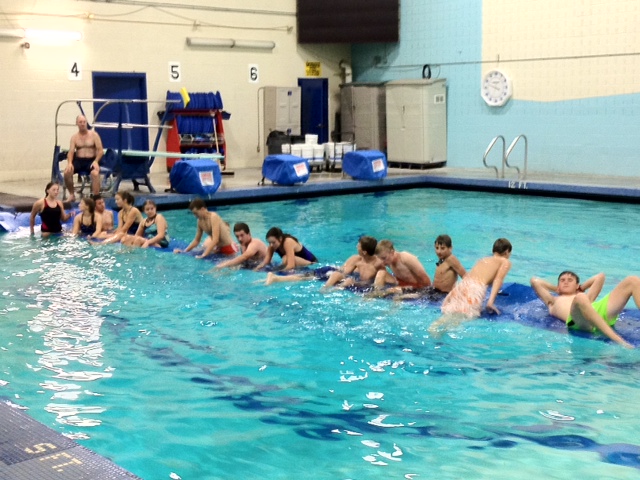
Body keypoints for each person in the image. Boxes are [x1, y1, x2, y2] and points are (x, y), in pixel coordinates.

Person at [530, 271, 636, 349]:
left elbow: (600, 276)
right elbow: (534, 281)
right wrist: (556, 289)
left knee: (632, 280)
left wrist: (581, 288)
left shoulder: (587, 297)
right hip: (579, 320)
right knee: (581, 298)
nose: (566, 282)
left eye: (570, 280)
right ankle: (619, 341)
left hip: (597, 312)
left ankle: (603, 326)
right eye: (562, 281)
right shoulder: (552, 301)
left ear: (577, 285)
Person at [429, 238, 512, 332]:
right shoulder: (505, 262)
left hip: (462, 286)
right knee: (461, 318)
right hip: (475, 288)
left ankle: (434, 327)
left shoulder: (483, 260)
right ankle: (442, 334)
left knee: (450, 315)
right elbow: (498, 279)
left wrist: (449, 297)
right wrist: (490, 302)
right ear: (506, 252)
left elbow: (468, 278)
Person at [263, 235, 383, 287]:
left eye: (359, 245)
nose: (357, 246)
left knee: (305, 276)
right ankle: (276, 278)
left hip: (332, 272)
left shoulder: (376, 264)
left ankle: (274, 278)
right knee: (305, 277)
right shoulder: (356, 259)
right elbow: (344, 273)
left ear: (364, 252)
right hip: (331, 271)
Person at [394, 234, 466, 301]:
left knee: (403, 298)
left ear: (450, 248)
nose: (439, 251)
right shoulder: (442, 260)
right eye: (437, 248)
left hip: (442, 295)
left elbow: (466, 276)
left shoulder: (451, 259)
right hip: (433, 291)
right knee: (403, 292)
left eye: (442, 248)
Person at [64, 115, 103, 202]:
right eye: (80, 122)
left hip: (91, 161)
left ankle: (96, 197)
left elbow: (100, 151)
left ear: (86, 122)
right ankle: (71, 194)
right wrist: (70, 163)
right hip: (79, 160)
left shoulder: (94, 135)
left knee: (95, 174)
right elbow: (70, 152)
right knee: (67, 172)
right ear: (77, 124)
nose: (82, 124)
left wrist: (96, 161)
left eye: (84, 122)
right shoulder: (74, 137)